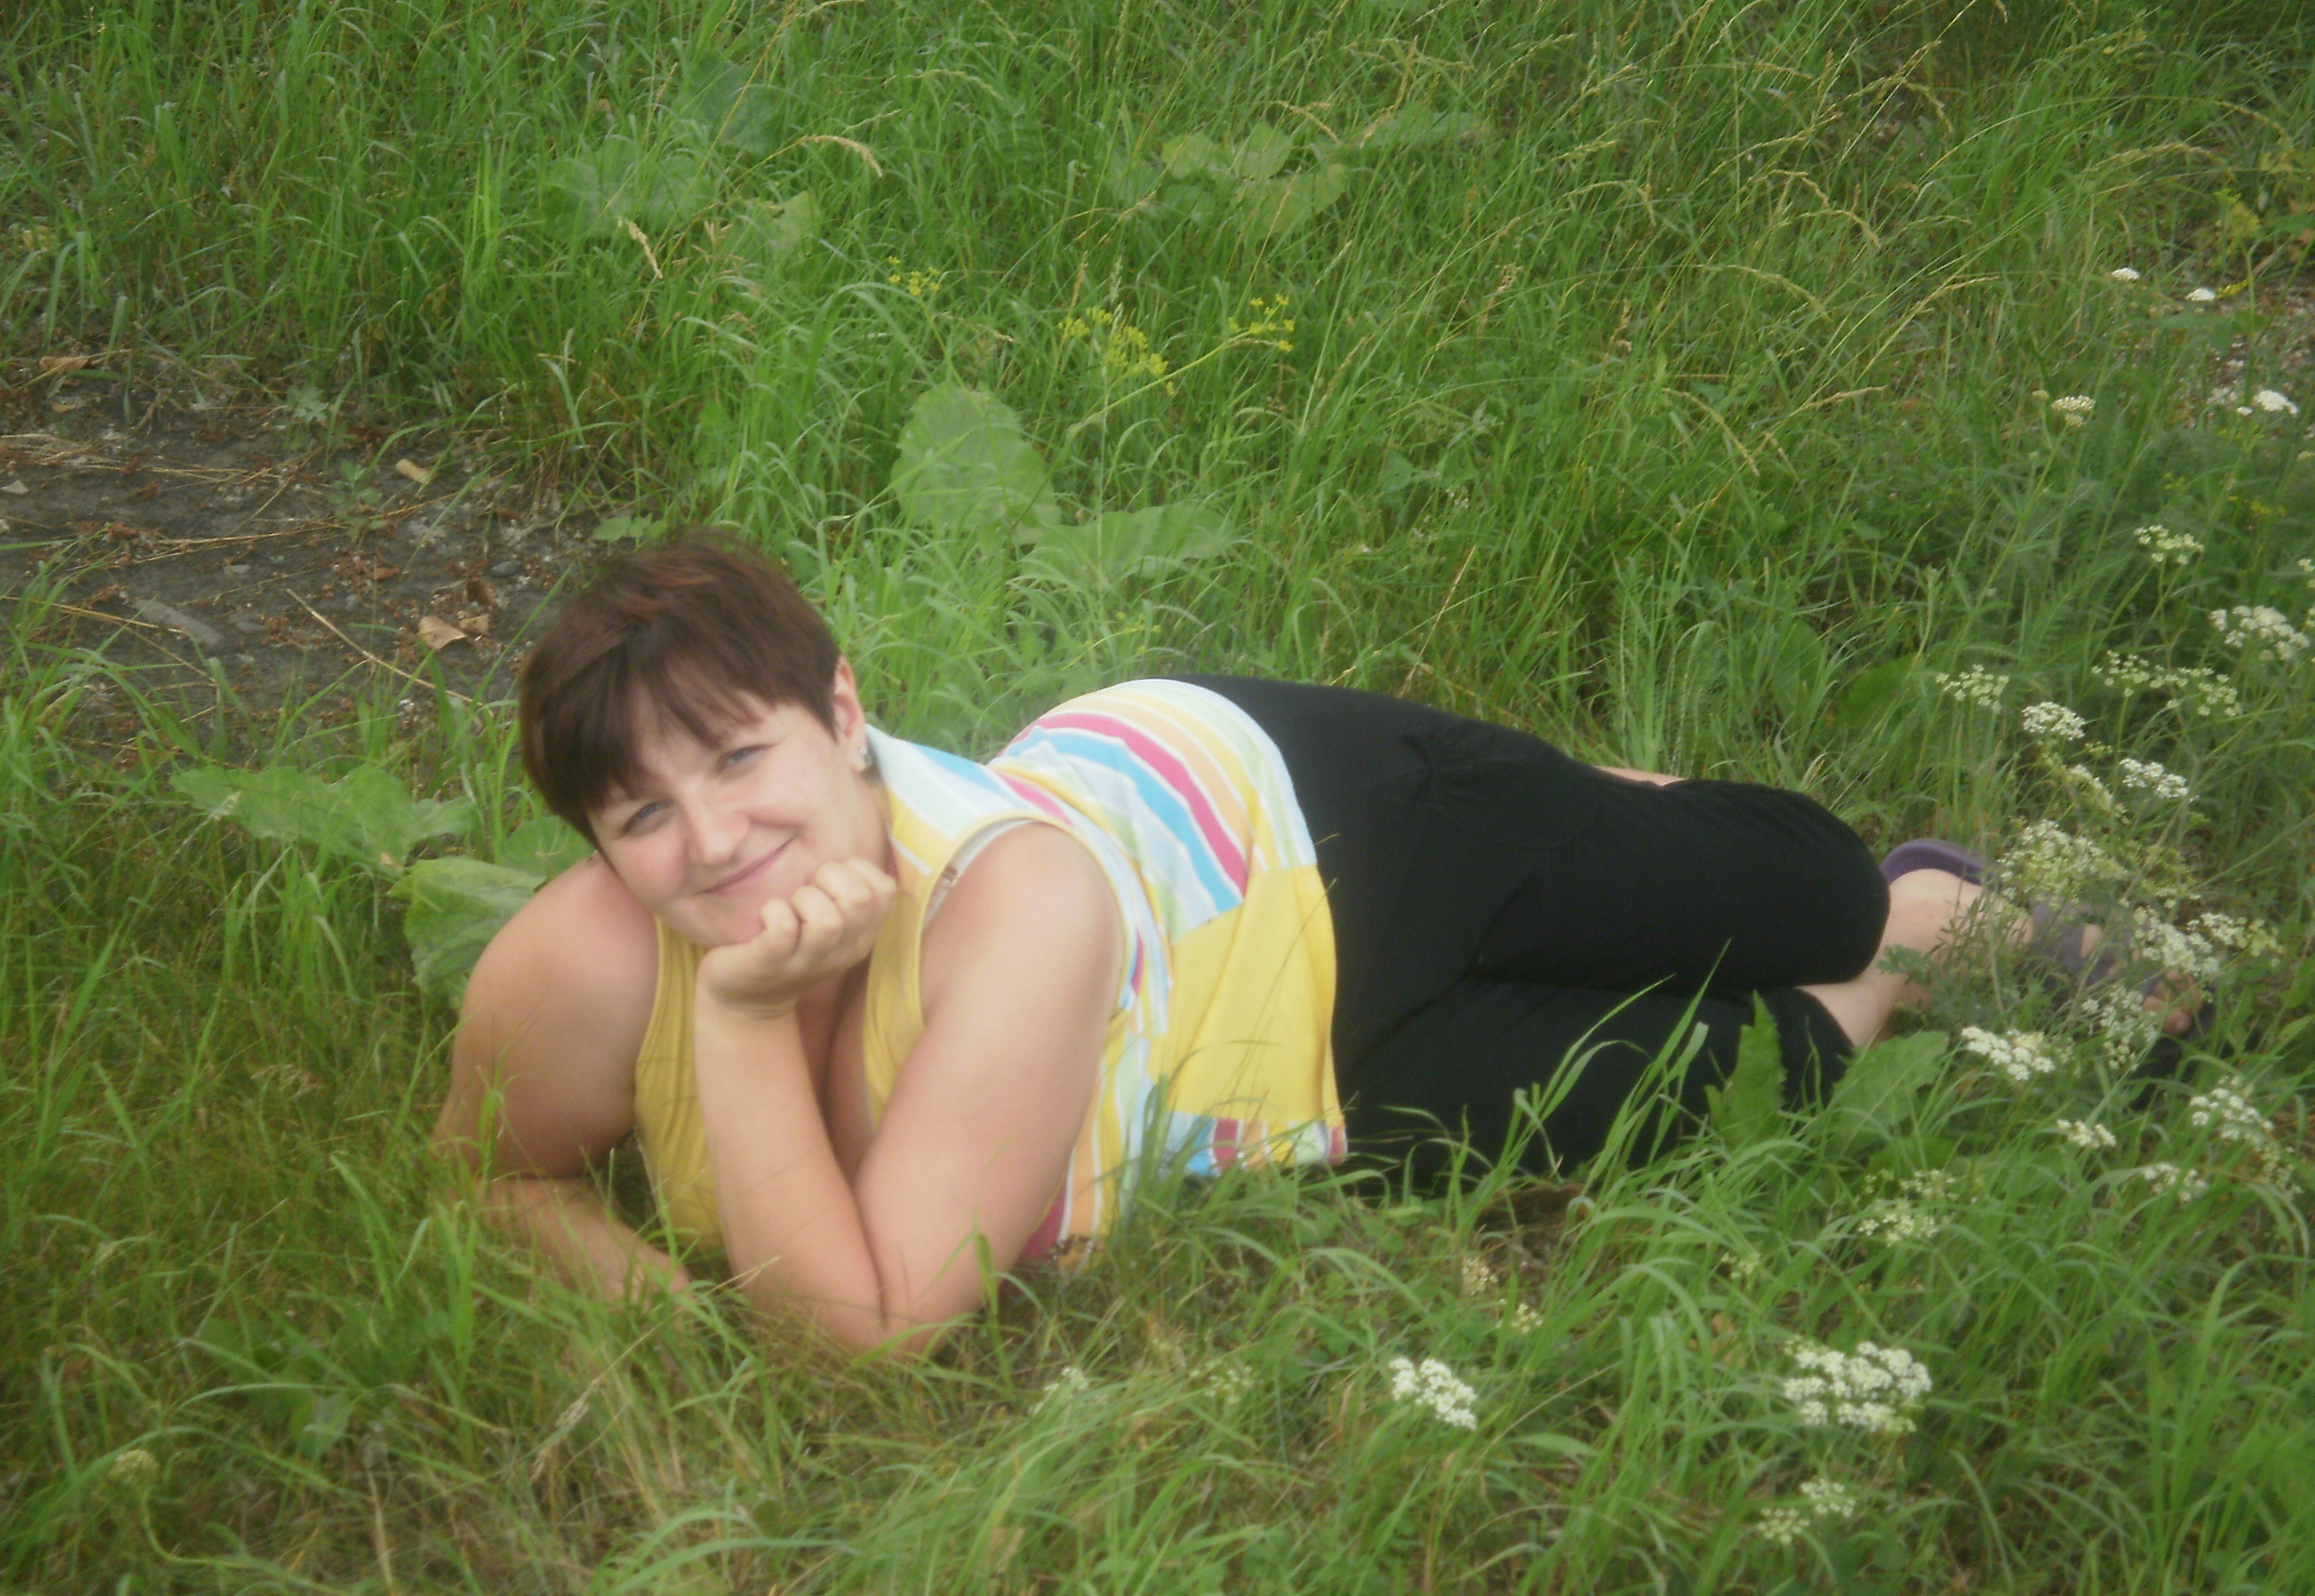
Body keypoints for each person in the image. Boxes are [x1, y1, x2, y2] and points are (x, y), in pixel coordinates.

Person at [432, 533, 2016, 1355]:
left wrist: (733, 1022)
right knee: (1769, 1066)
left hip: (1307, 822)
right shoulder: (586, 965)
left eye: (739, 757)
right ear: (595, 846)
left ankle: (1622, 811)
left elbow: (864, 1331)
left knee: (1818, 895)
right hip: (1276, 1059)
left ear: (843, 712)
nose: (712, 842)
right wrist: (669, 1309)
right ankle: (1926, 937)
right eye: (642, 815)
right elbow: (490, 1179)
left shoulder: (1012, 903)